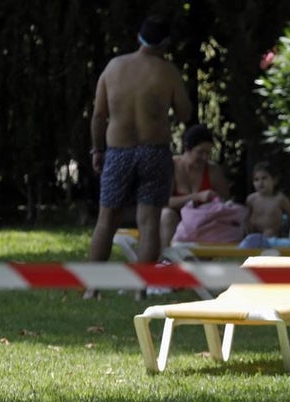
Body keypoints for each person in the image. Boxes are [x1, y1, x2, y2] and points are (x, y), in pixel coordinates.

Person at [87, 15, 191, 271]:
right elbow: (185, 114)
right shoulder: (168, 72)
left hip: (118, 150)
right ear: (165, 44)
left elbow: (99, 115)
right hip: (154, 152)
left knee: (106, 221)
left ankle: (92, 288)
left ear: (139, 38)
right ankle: (141, 288)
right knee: (149, 223)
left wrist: (97, 149)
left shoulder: (113, 68)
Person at [160, 123, 233, 247]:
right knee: (166, 214)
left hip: (203, 222)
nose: (205, 158)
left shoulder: (213, 170)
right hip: (176, 222)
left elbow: (226, 203)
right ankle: (167, 259)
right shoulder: (171, 166)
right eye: (200, 152)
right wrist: (196, 197)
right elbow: (163, 201)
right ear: (187, 148)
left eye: (208, 153)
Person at [244, 161, 290, 238]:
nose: (260, 182)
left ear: (275, 180)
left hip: (272, 235)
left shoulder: (280, 199)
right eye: (256, 180)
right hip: (254, 233)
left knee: (269, 233)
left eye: (264, 178)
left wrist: (288, 233)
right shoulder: (251, 199)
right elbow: (246, 217)